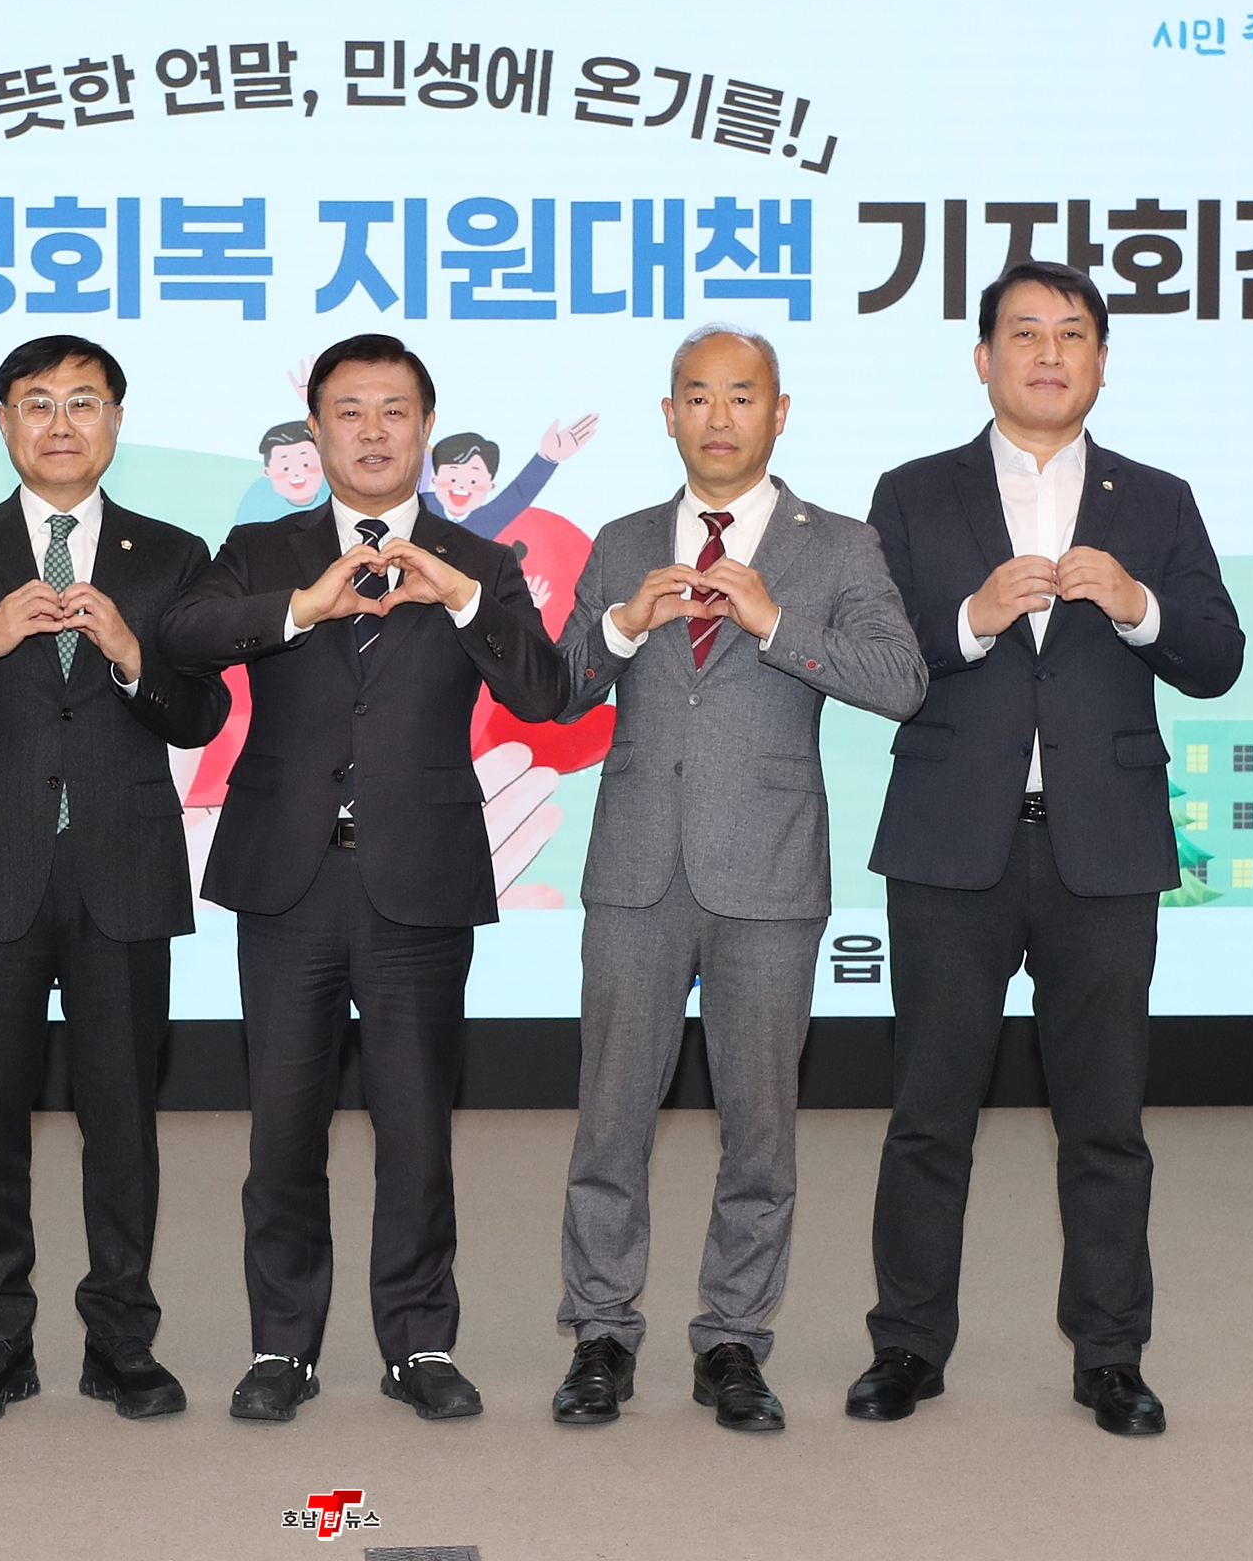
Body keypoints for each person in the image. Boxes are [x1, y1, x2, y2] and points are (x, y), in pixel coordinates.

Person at [853, 261, 1243, 1436]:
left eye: (1072, 334)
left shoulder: (1155, 500)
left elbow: (1216, 657)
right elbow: (874, 662)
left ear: (1101, 363)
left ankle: (1110, 1356)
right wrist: (969, 622)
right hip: (948, 849)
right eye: (1023, 333)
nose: (1047, 353)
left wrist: (1136, 604)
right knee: (929, 1117)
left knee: (1105, 1123)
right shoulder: (912, 493)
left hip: (1103, 853)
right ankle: (907, 1345)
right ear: (983, 359)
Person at [161, 333, 571, 1424]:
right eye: (350, 411)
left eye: (395, 411)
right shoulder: (265, 547)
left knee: (416, 1129)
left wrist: (464, 599)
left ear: (427, 429)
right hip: (289, 881)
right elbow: (185, 635)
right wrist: (304, 607)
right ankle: (281, 1347)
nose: (374, 431)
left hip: (419, 878)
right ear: (317, 429)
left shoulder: (479, 560)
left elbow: (545, 694)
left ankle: (418, 1344)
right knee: (282, 1130)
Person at [549, 326, 926, 1431]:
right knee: (609, 1117)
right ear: (668, 414)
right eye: (698, 396)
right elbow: (560, 688)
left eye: (741, 395)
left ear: (779, 412)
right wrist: (625, 626)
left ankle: (732, 1341)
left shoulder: (838, 546)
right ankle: (601, 1333)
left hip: (767, 869)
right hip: (634, 867)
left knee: (759, 1128)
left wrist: (772, 622)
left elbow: (900, 680)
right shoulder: (622, 540)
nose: (719, 416)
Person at [0, 336, 229, 1423]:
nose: (62, 423)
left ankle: (121, 1341)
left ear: (116, 420)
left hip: (122, 867)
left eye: (84, 402)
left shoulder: (170, 554)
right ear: (4, 423)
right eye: (38, 403)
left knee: (122, 1122)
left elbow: (202, 713)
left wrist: (132, 655)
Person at [421, 414, 597, 539]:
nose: (461, 486)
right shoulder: (419, 508)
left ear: (490, 485)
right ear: (434, 479)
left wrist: (547, 458)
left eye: (473, 481)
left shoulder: (486, 520)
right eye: (452, 479)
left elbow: (518, 495)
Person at [234, 421, 329, 524]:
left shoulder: (335, 488)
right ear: (267, 471)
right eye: (286, 468)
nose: (296, 473)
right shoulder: (256, 500)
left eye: (305, 465)